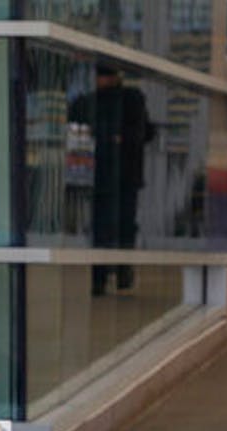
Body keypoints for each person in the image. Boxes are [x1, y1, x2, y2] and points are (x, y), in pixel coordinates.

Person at [70, 63, 153, 296]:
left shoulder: (95, 102)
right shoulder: (124, 100)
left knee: (110, 227)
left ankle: (107, 275)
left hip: (112, 175)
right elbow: (144, 133)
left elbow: (141, 133)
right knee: (118, 226)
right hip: (115, 175)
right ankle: (112, 274)